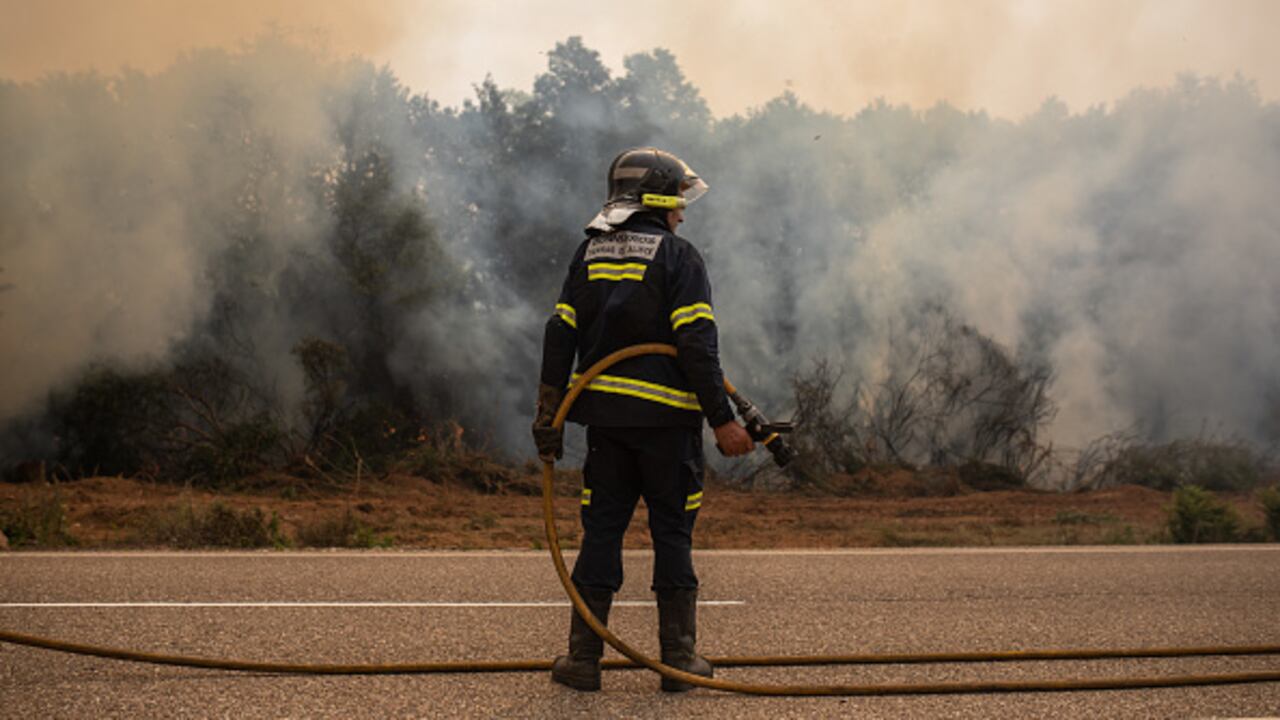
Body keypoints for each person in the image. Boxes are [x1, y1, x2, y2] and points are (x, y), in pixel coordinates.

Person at [533, 147, 754, 692]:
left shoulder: (589, 253)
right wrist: (722, 421)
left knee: (600, 533)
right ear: (657, 198)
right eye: (678, 199)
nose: (682, 211)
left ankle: (582, 662)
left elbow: (559, 335)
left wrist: (549, 416)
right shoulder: (679, 257)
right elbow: (696, 345)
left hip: (606, 427)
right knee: (672, 534)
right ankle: (678, 662)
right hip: (668, 431)